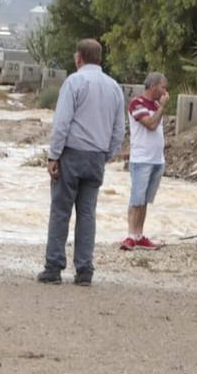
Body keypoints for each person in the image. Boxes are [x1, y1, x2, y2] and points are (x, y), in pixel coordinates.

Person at [38, 38, 125, 285]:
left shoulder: (74, 82)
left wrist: (54, 155)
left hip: (72, 153)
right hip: (97, 156)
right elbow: (119, 129)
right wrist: (107, 154)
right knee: (87, 213)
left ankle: (54, 267)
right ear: (100, 58)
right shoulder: (114, 87)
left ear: (79, 58)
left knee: (60, 210)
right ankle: (84, 270)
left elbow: (62, 122)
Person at [122, 72, 168, 251]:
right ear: (153, 86)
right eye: (163, 87)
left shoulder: (155, 104)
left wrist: (160, 107)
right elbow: (150, 124)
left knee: (145, 200)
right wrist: (162, 108)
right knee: (136, 198)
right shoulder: (137, 103)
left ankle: (139, 235)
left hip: (157, 159)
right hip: (141, 159)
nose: (165, 92)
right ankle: (131, 235)